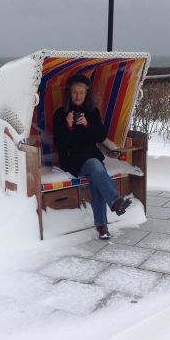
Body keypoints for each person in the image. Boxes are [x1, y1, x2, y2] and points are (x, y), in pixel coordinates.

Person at [53, 74, 131, 240]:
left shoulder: (92, 112)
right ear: (70, 93)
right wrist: (68, 126)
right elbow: (60, 144)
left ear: (86, 93)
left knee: (97, 174)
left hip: (91, 157)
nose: (78, 96)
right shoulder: (60, 114)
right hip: (72, 159)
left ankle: (102, 227)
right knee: (97, 167)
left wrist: (87, 125)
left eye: (82, 92)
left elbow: (101, 135)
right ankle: (115, 203)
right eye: (75, 92)